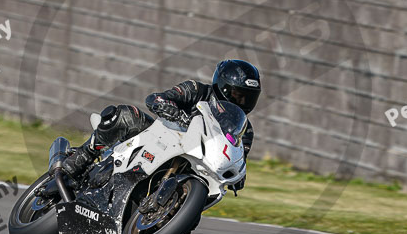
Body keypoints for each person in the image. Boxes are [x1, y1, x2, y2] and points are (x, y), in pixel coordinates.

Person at [57, 60, 262, 191]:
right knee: (126, 115)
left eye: (248, 98)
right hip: (160, 138)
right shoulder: (197, 90)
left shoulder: (244, 129)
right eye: (238, 95)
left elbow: (239, 158)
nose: (242, 102)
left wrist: (238, 177)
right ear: (222, 87)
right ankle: (81, 159)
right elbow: (157, 98)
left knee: (194, 217)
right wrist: (167, 107)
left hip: (195, 166)